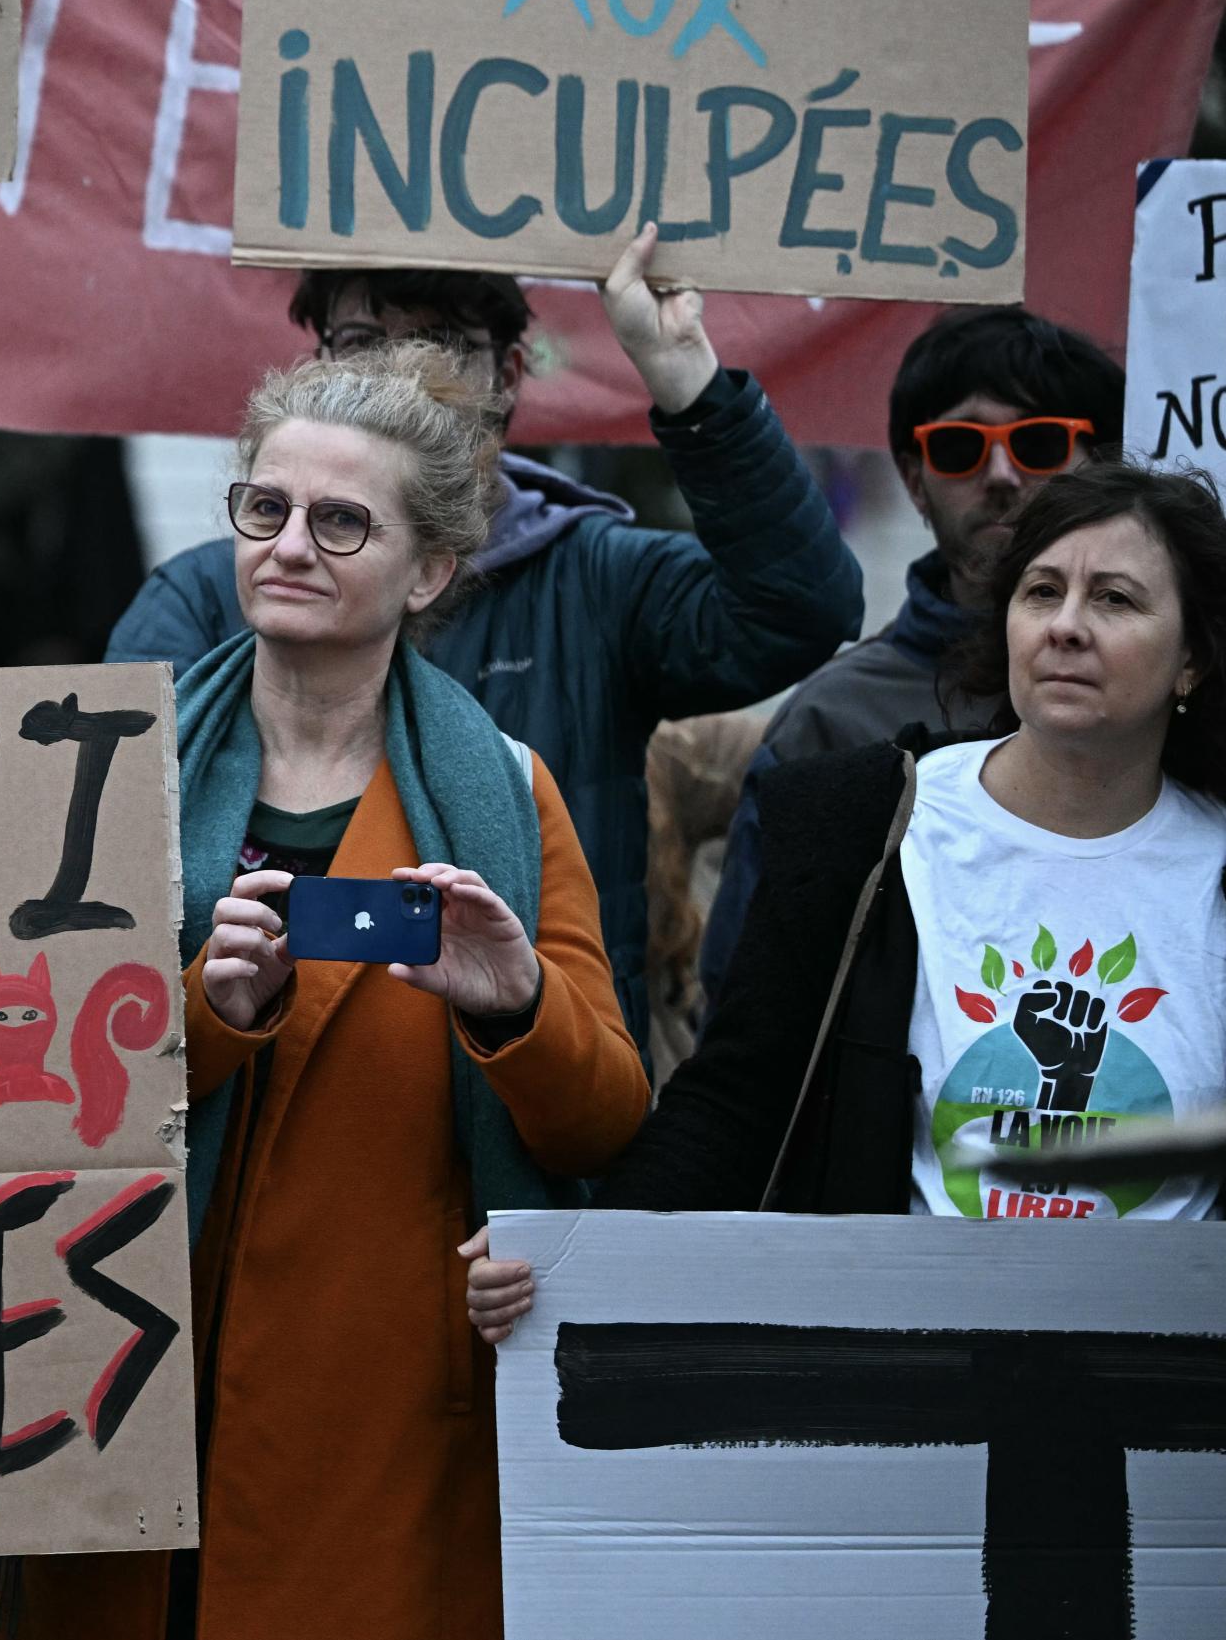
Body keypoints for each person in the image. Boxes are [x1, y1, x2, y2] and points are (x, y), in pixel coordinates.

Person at [0, 347, 648, 1640]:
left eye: (341, 521)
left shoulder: (507, 792)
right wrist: (210, 1015)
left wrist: (509, 1003)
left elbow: (602, 1118)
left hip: (368, 1414)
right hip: (109, 1370)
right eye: (264, 510)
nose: (291, 546)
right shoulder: (103, 769)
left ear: (429, 569)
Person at [469, 464, 1226, 1345]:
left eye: (1117, 600)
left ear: (1193, 657)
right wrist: (573, 1254)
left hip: (1173, 1408)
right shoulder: (862, 820)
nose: (1065, 627)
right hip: (907, 1387)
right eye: (1042, 590)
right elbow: (733, 1101)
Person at [106, 232, 865, 1047]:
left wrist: (686, 376)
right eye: (363, 342)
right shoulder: (208, 595)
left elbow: (803, 610)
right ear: (319, 360)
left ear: (508, 375)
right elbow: (115, 847)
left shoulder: (596, 579)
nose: (397, 371)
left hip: (520, 1093)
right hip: (256, 1092)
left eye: (440, 344)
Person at [697, 307, 1125, 1009]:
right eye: (958, 446)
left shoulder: (1174, 699)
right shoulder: (831, 722)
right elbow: (748, 1019)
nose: (999, 473)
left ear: (1103, 467)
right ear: (914, 478)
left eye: (1038, 442)